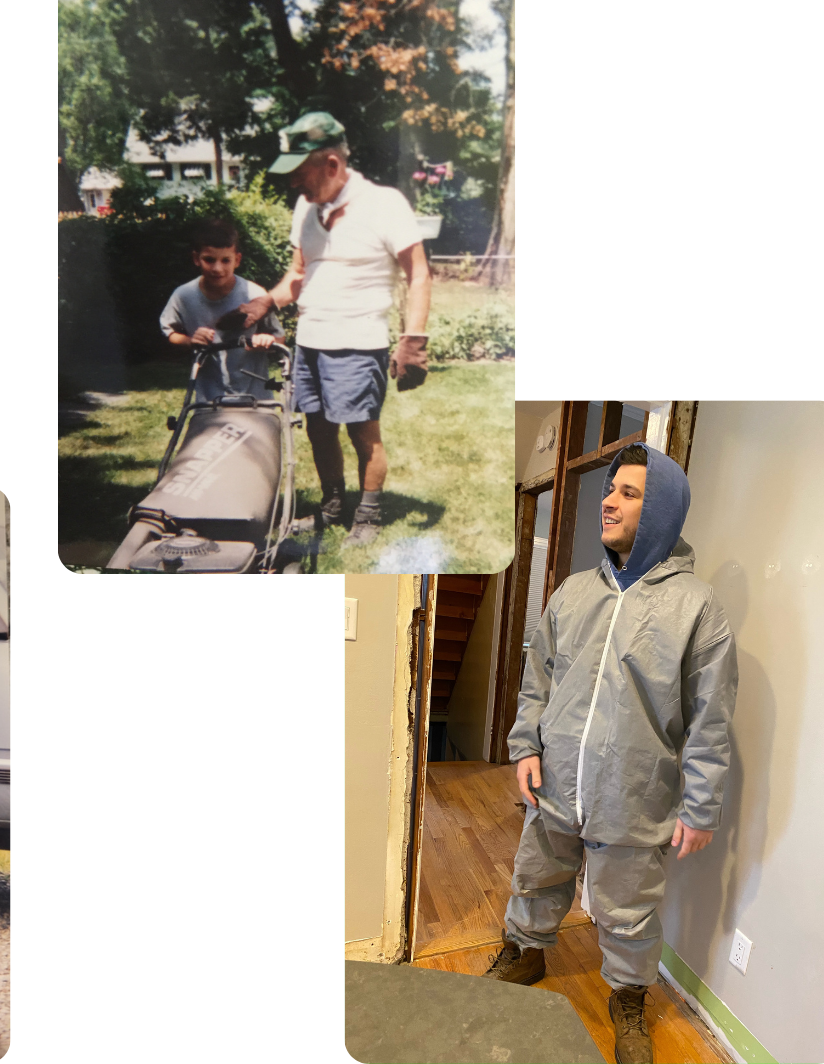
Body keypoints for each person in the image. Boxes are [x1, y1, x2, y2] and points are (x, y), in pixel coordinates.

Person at [484, 443, 737, 1064]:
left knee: (629, 907)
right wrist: (524, 746)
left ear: (661, 511)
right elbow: (537, 678)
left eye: (629, 493)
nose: (609, 501)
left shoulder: (695, 608)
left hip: (634, 789)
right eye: (610, 489)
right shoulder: (572, 592)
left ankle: (627, 996)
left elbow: (711, 715)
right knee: (538, 873)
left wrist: (701, 807)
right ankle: (527, 950)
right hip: (556, 778)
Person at [238, 111, 431, 547]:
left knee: (363, 434)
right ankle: (332, 506)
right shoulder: (306, 207)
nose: (294, 184)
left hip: (358, 344)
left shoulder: (385, 203)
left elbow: (419, 274)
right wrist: (266, 300)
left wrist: (413, 340)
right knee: (319, 430)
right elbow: (297, 274)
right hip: (310, 342)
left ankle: (368, 515)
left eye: (300, 173)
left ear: (331, 164)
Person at [160, 217, 283, 404]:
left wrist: (266, 341)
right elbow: (169, 332)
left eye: (226, 260)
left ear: (237, 260)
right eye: (209, 260)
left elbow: (279, 338)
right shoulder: (184, 295)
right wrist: (190, 340)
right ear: (196, 259)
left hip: (255, 399)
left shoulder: (254, 294)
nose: (218, 268)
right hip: (209, 400)